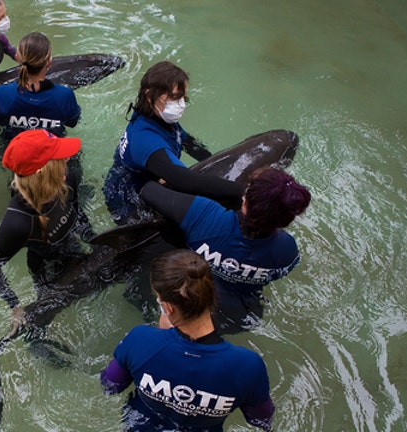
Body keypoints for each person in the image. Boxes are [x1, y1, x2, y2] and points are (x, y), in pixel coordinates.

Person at [101, 248, 275, 431]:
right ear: (211, 294)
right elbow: (261, 419)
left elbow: (110, 385)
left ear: (167, 308)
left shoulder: (140, 340)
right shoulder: (248, 366)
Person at [140, 167, 311, 334]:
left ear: (245, 202)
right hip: (237, 317)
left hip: (186, 308)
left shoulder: (206, 215)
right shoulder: (288, 250)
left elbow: (148, 190)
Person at [102, 60, 243, 225]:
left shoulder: (157, 117)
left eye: (183, 97)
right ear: (149, 96)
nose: (181, 105)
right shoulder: (144, 138)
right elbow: (185, 181)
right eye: (174, 97)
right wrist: (243, 191)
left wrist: (215, 161)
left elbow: (187, 142)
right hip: (128, 202)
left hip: (152, 180)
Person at [0, 129, 94, 333]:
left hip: (72, 248)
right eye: (60, 158)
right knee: (41, 319)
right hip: (46, 267)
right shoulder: (18, 222)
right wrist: (15, 306)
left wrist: (93, 240)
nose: (68, 158)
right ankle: (36, 341)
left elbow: (77, 212)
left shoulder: (67, 177)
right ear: (44, 171)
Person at [0, 32, 81, 142]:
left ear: (17, 58)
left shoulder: (2, 94)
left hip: (14, 153)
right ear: (49, 63)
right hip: (53, 155)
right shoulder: (64, 95)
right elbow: (72, 122)